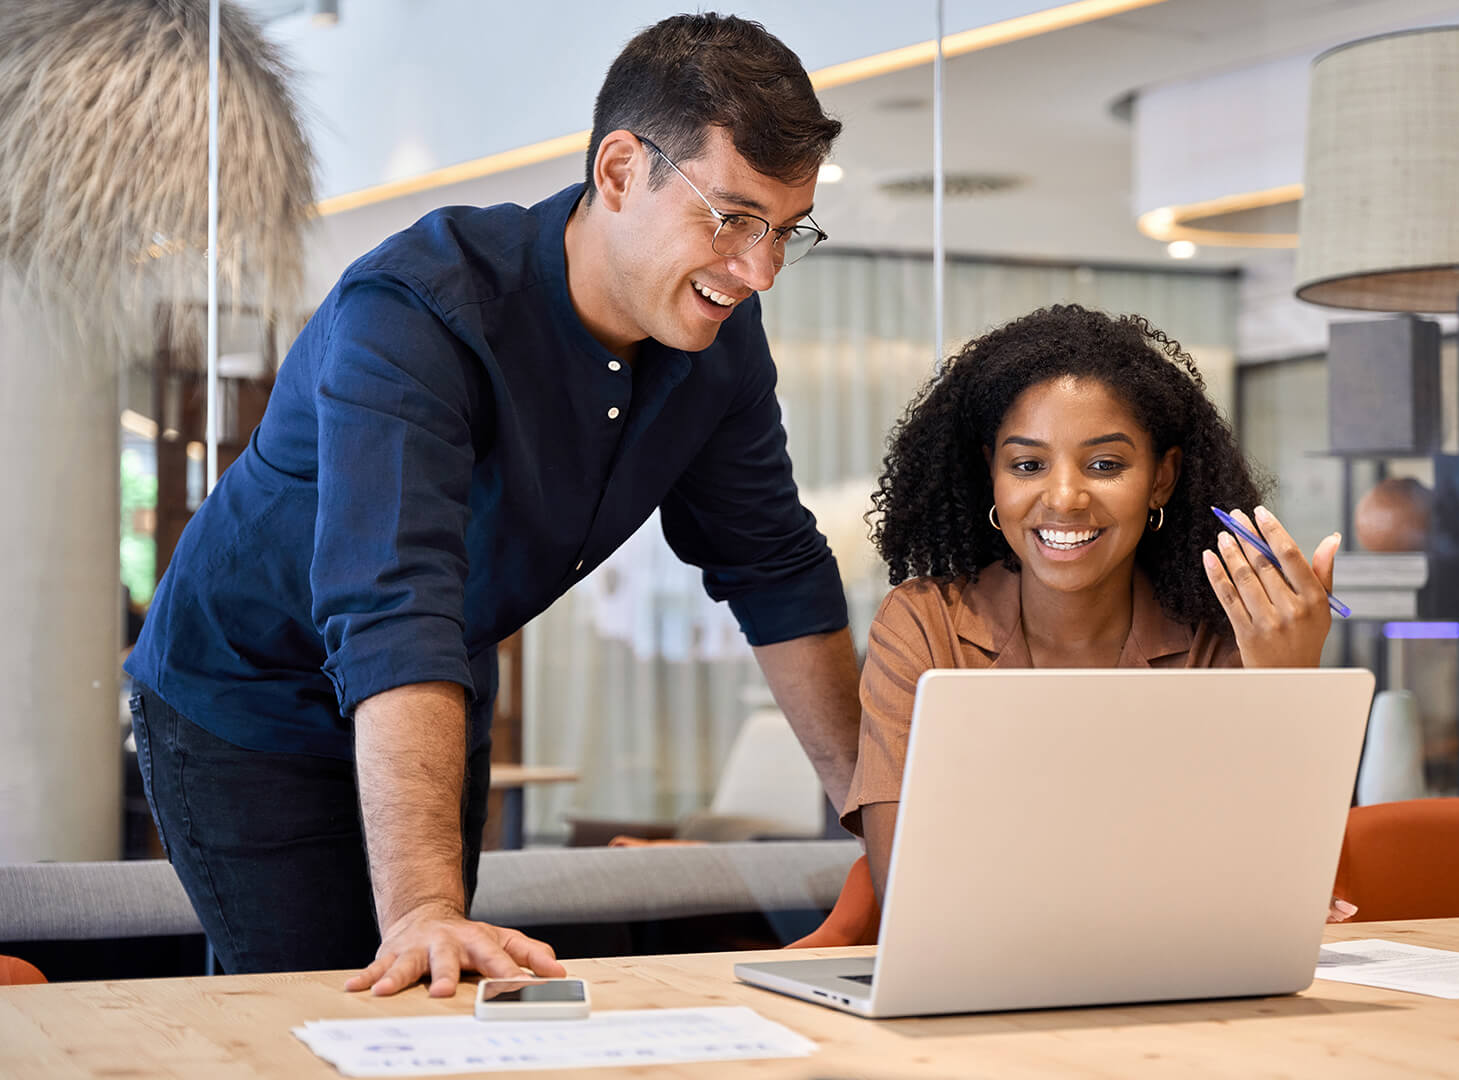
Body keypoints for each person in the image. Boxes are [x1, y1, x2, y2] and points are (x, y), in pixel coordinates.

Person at [123, 14, 863, 995]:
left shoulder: (718, 342)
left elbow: (774, 567)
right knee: (333, 997)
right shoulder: (417, 312)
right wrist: (425, 908)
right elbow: (396, 605)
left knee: (439, 993)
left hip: (438, 685)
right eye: (731, 219)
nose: (758, 269)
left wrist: (883, 826)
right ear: (617, 172)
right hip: (249, 693)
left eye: (784, 230)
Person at [836, 304, 1352, 924]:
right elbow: (911, 900)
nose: (1064, 498)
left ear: (1162, 479)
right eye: (1027, 465)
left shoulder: (1217, 635)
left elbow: (1276, 894)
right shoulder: (924, 624)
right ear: (991, 477)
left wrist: (1289, 685)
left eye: (1106, 465)